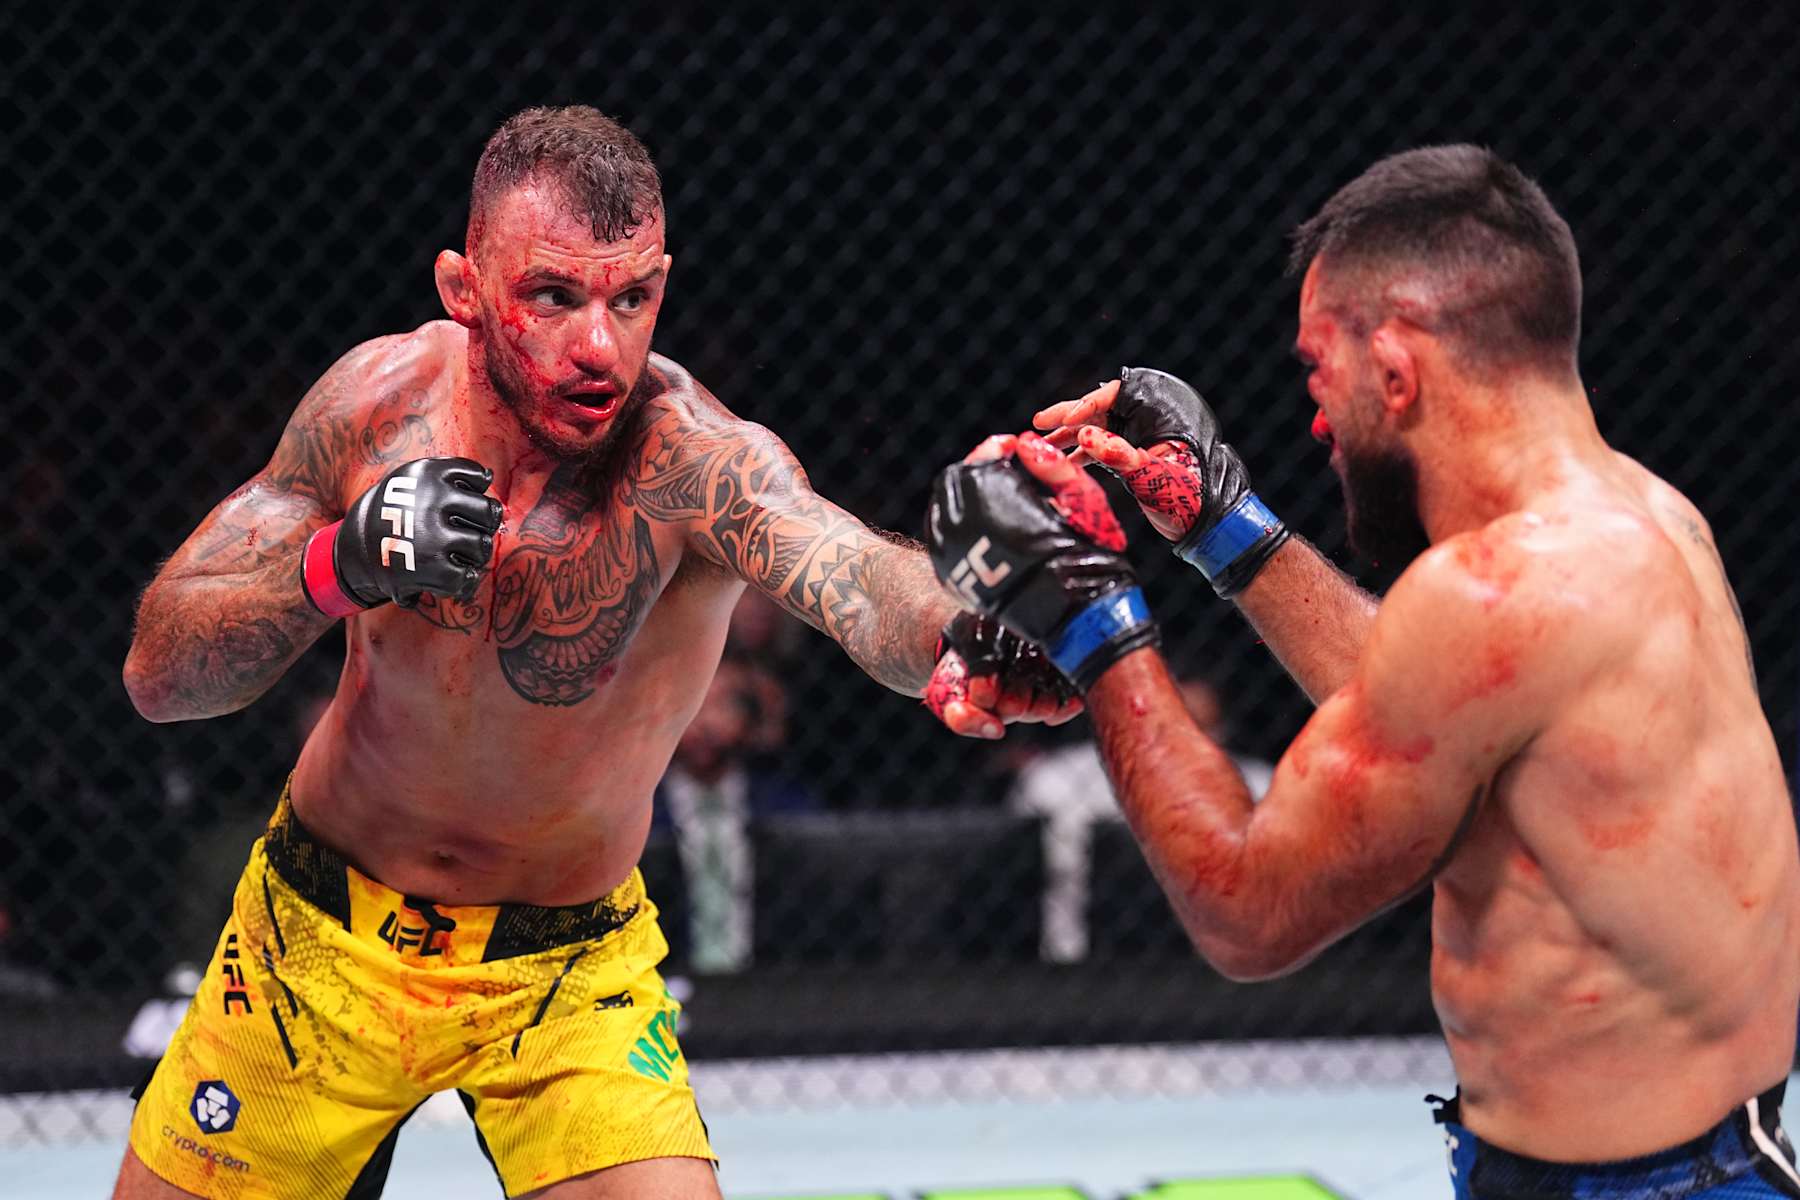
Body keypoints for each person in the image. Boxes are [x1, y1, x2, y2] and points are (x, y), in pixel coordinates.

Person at [118, 106, 1073, 1199]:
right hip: (315, 935)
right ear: (463, 289)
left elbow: (854, 573)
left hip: (564, 967)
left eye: (633, 299)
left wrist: (965, 631)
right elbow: (160, 672)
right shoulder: (374, 409)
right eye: (554, 297)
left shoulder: (695, 461)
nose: (601, 349)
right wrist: (340, 564)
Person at [930, 145, 1800, 1194]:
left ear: (1396, 369)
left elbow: (1247, 910)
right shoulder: (1642, 522)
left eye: (1315, 366)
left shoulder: (1507, 593)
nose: (1314, 414)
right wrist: (1222, 528)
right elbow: (1422, 700)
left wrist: (1089, 618)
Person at [1010, 674, 1271, 962]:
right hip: (1076, 955)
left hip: (1216, 960)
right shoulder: (1058, 778)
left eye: (1201, 727)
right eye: (1171, 725)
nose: (1185, 742)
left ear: (1222, 731)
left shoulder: (1260, 787)